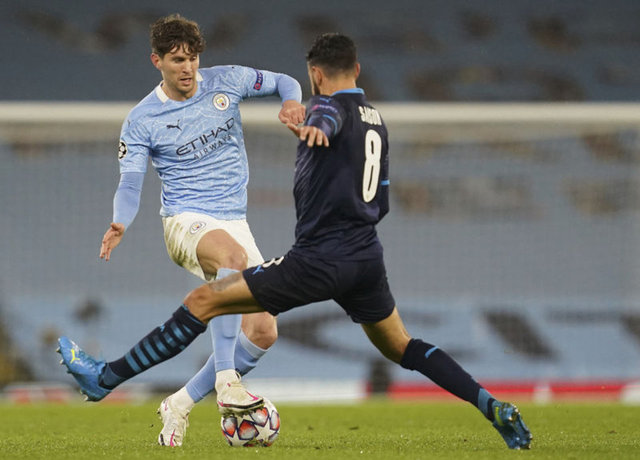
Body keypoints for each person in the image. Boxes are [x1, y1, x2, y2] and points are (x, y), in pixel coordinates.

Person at [58, 32, 532, 450]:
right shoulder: (376, 120)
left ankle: (110, 377)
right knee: (402, 346)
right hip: (366, 257)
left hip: (318, 259)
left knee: (203, 301)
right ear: (357, 70)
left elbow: (324, 117)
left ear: (316, 75)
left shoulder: (325, 107)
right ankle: (490, 405)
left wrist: (312, 128)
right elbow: (382, 200)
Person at [95, 14, 305, 447]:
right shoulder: (142, 119)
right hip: (185, 220)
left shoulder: (227, 81)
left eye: (192, 58)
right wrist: (120, 221)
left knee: (263, 331)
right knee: (232, 259)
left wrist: (291, 102)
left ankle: (180, 403)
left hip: (234, 221)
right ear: (157, 61)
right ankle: (227, 381)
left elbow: (285, 81)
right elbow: (130, 184)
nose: (188, 68)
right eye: (177, 60)